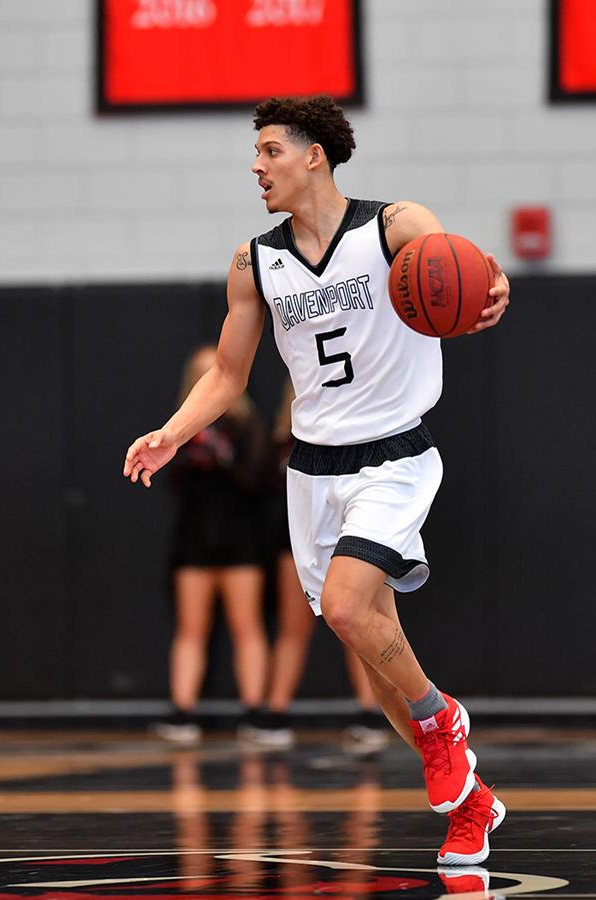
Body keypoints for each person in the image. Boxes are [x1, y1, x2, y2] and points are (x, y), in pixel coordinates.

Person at [124, 95, 510, 866]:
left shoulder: (394, 225)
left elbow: (461, 268)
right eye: (255, 153)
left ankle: (442, 720)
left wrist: (493, 285)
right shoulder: (253, 262)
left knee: (345, 606)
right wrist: (172, 432)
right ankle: (471, 804)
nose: (256, 166)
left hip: (392, 455)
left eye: (270, 150)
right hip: (311, 469)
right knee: (374, 660)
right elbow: (228, 373)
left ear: (314, 157)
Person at [257, 380, 392, 752]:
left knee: (355, 620)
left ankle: (373, 711)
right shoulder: (284, 444)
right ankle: (276, 711)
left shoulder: (362, 433)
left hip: (354, 536)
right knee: (294, 628)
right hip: (298, 541)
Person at [150, 346, 273, 745]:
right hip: (196, 539)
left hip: (241, 540)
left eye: (213, 372)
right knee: (191, 629)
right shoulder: (179, 431)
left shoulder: (249, 424)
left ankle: (255, 714)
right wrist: (192, 455)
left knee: (247, 626)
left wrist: (225, 456)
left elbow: (259, 479)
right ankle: (182, 713)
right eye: (200, 374)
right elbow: (171, 483)